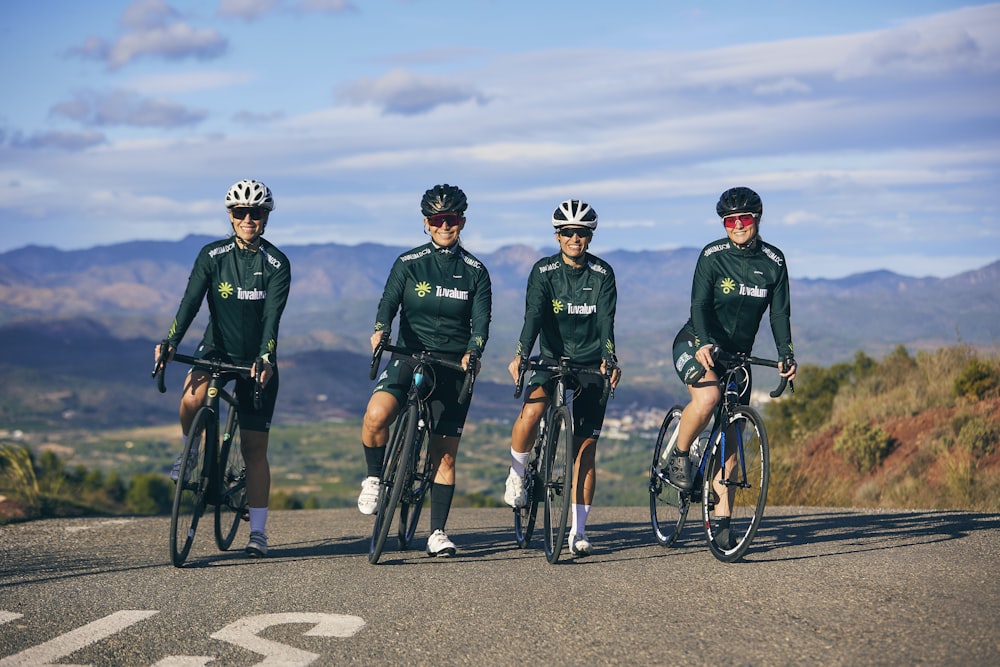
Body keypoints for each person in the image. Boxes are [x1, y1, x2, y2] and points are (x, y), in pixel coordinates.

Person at [155, 179, 291, 558]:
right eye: (240, 212)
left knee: (253, 447)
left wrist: (265, 356)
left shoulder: (277, 264)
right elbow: (190, 303)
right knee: (191, 397)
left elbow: (272, 320)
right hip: (216, 347)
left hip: (254, 358)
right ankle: (191, 452)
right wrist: (170, 342)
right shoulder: (212, 256)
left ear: (265, 217)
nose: (248, 219)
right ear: (230, 216)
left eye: (256, 212)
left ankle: (258, 533)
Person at [357, 184, 492, 557]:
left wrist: (474, 351)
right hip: (409, 355)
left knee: (444, 456)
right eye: (437, 220)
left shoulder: (476, 272)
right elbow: (388, 302)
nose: (444, 226)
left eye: (450, 219)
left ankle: (437, 532)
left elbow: (481, 322)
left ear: (462, 222)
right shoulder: (408, 263)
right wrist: (381, 329)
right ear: (426, 224)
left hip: (451, 366)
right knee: (375, 416)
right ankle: (374, 477)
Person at [665, 186, 797, 549]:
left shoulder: (775, 261)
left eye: (745, 219)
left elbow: (780, 314)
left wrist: (786, 353)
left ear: (757, 219)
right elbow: (699, 305)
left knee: (733, 445)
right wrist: (706, 341)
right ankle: (680, 455)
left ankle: (722, 521)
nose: (738, 225)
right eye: (730, 221)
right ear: (724, 224)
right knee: (708, 397)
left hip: (738, 358)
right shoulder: (712, 255)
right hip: (697, 342)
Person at [504, 199, 621, 557]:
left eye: (582, 233)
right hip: (552, 359)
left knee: (585, 449)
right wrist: (522, 353)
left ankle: (579, 531)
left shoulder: (602, 274)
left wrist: (609, 357)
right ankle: (518, 474)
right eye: (568, 232)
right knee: (532, 412)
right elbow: (534, 316)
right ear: (557, 236)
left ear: (590, 236)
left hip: (589, 364)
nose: (575, 238)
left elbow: (606, 322)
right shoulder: (543, 272)